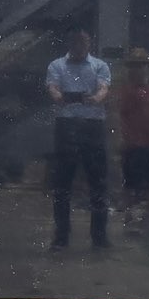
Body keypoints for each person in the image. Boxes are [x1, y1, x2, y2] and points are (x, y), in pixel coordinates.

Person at [45, 28, 112, 250]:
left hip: (93, 126)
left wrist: (96, 99)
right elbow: (53, 89)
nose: (80, 47)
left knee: (98, 183)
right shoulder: (56, 66)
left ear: (89, 44)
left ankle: (99, 237)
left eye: (84, 43)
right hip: (67, 125)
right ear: (70, 44)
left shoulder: (100, 65)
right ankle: (61, 237)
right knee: (62, 184)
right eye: (76, 43)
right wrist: (61, 97)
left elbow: (104, 88)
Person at [119, 47, 149, 234]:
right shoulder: (125, 92)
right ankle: (131, 220)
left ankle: (147, 219)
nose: (139, 70)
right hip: (133, 146)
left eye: (142, 66)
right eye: (135, 66)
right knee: (133, 187)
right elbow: (118, 118)